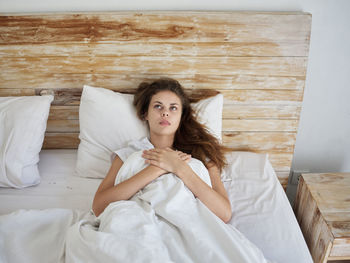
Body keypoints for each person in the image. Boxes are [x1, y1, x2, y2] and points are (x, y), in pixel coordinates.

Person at [92, 78, 232, 223]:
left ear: (181, 116)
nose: (165, 113)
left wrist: (179, 167)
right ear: (146, 114)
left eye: (173, 108)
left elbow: (224, 213)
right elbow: (99, 207)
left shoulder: (202, 154)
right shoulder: (129, 153)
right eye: (158, 106)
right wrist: (157, 168)